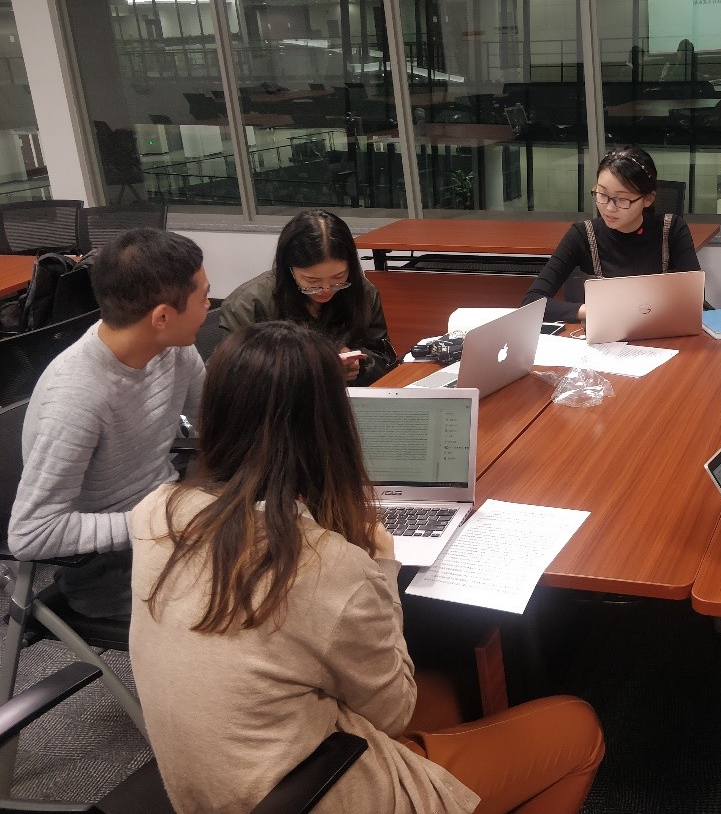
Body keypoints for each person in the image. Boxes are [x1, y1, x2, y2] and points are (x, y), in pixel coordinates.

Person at [129, 321, 605, 814]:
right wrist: (380, 565)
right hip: (310, 792)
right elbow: (394, 711)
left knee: (453, 692)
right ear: (332, 424)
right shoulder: (326, 566)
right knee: (577, 728)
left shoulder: (155, 513)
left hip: (208, 787)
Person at [10, 229, 209, 618]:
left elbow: (216, 425)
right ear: (162, 317)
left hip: (167, 517)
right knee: (263, 599)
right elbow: (30, 534)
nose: (208, 306)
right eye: (204, 298)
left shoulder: (173, 350)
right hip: (108, 565)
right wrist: (159, 522)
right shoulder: (78, 397)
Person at [521, 145, 700, 322]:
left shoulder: (671, 230)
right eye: (602, 194)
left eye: (621, 199)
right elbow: (532, 302)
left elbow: (695, 299)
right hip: (605, 336)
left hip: (662, 332)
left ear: (648, 199)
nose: (608, 208)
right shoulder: (583, 235)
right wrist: (592, 311)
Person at [220, 208, 395, 385]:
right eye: (312, 281)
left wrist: (362, 365)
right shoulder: (250, 305)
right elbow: (236, 377)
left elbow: (383, 357)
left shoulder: (362, 292)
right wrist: (315, 368)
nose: (326, 289)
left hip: (348, 396)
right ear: (289, 270)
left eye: (338, 277)